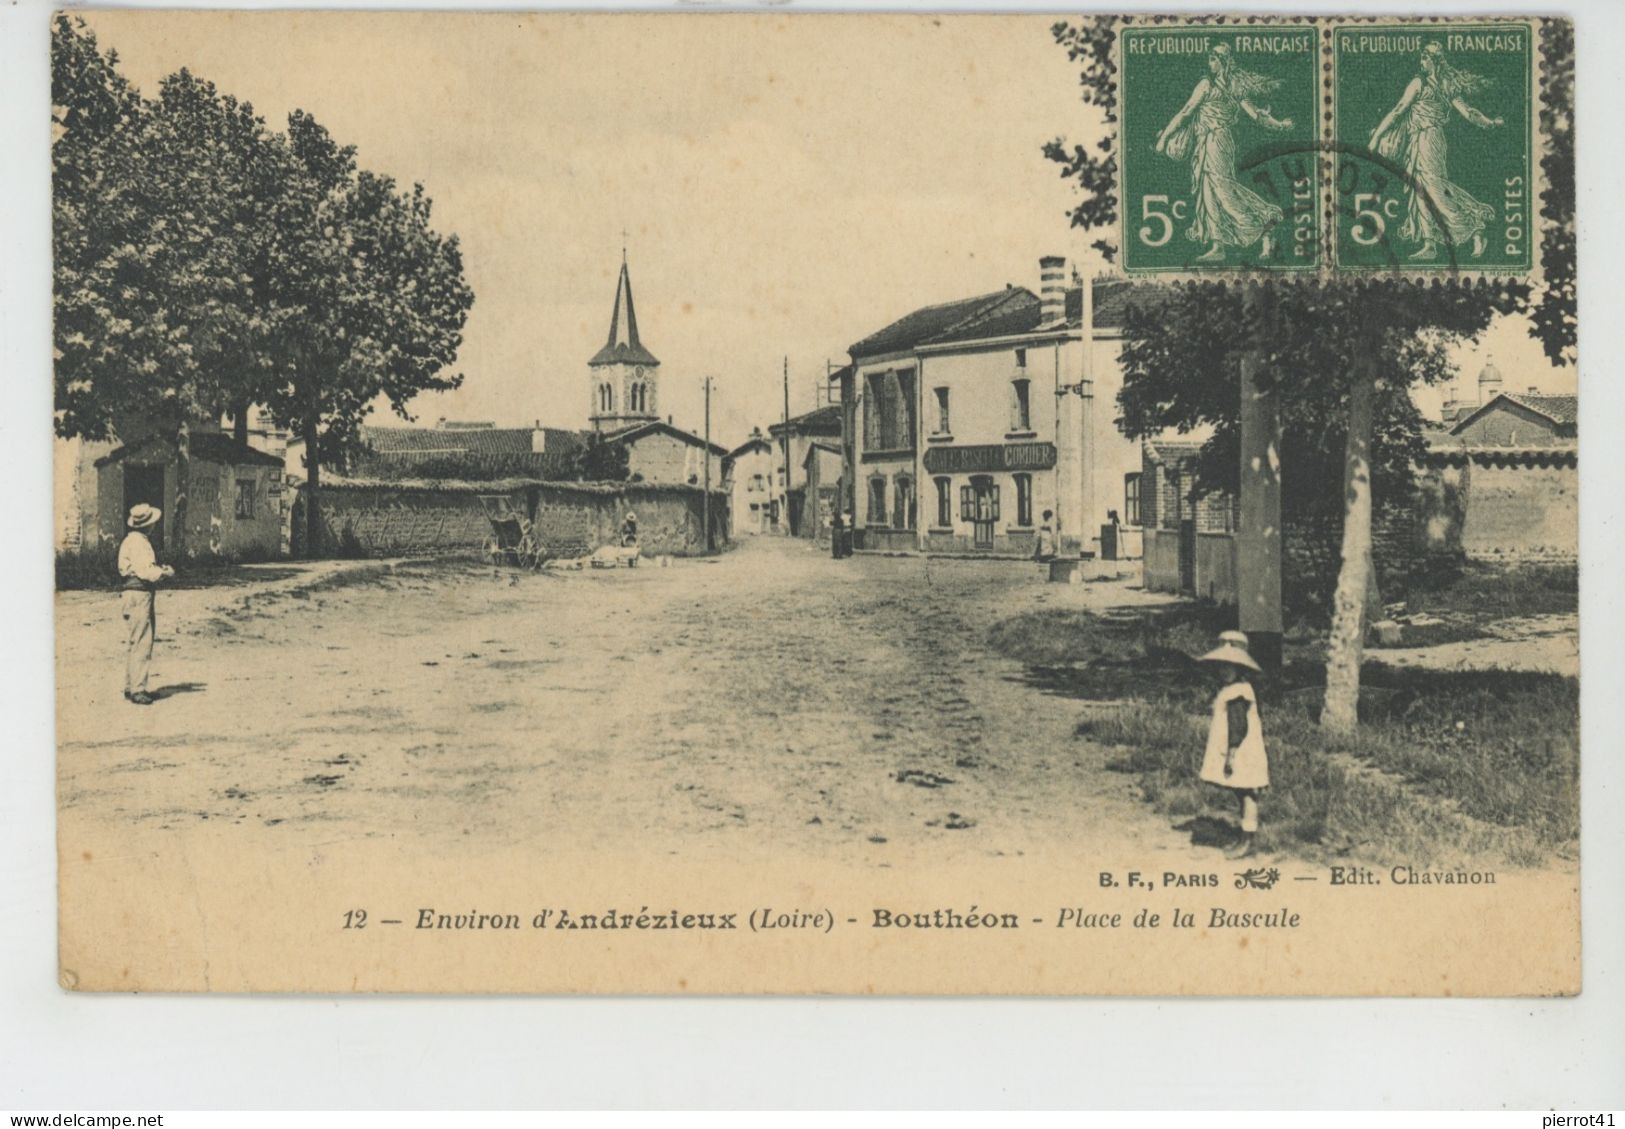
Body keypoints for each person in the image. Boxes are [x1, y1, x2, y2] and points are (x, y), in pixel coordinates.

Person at [1155, 44, 1295, 263]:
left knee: (1222, 190)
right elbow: (1256, 115)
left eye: (1212, 59)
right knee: (1209, 191)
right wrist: (1280, 125)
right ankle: (1218, 245)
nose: (1209, 63)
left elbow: (1185, 113)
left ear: (1221, 61)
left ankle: (1264, 225)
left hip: (1216, 142)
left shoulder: (1208, 84)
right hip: (1209, 142)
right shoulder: (1231, 85)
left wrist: (1164, 138)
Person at [1368, 41, 1502, 260]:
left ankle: (1475, 228)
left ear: (1434, 61)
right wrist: (1489, 123)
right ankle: (1429, 244)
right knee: (1421, 188)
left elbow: (1398, 111)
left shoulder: (1421, 83)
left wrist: (1376, 137)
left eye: (1425, 58)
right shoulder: (1443, 84)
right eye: (1422, 57)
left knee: (1435, 190)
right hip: (1421, 139)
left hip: (1428, 140)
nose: (1422, 61)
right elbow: (1469, 113)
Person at [1196, 630, 1269, 859]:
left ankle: (1248, 840)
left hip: (1241, 751)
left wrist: (1231, 754)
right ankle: (1244, 834)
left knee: (1247, 793)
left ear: (1241, 668)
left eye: (1230, 666)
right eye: (1222, 665)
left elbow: (1238, 727)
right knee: (1241, 792)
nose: (1225, 670)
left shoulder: (1238, 693)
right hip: (1239, 749)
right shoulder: (1232, 689)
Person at [117, 503, 174, 706]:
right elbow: (145, 572)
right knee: (143, 640)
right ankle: (138, 689)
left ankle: (130, 685)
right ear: (148, 525)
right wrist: (164, 573)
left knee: (135, 640)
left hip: (131, 593)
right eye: (153, 523)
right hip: (139, 593)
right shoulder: (140, 543)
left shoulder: (130, 541)